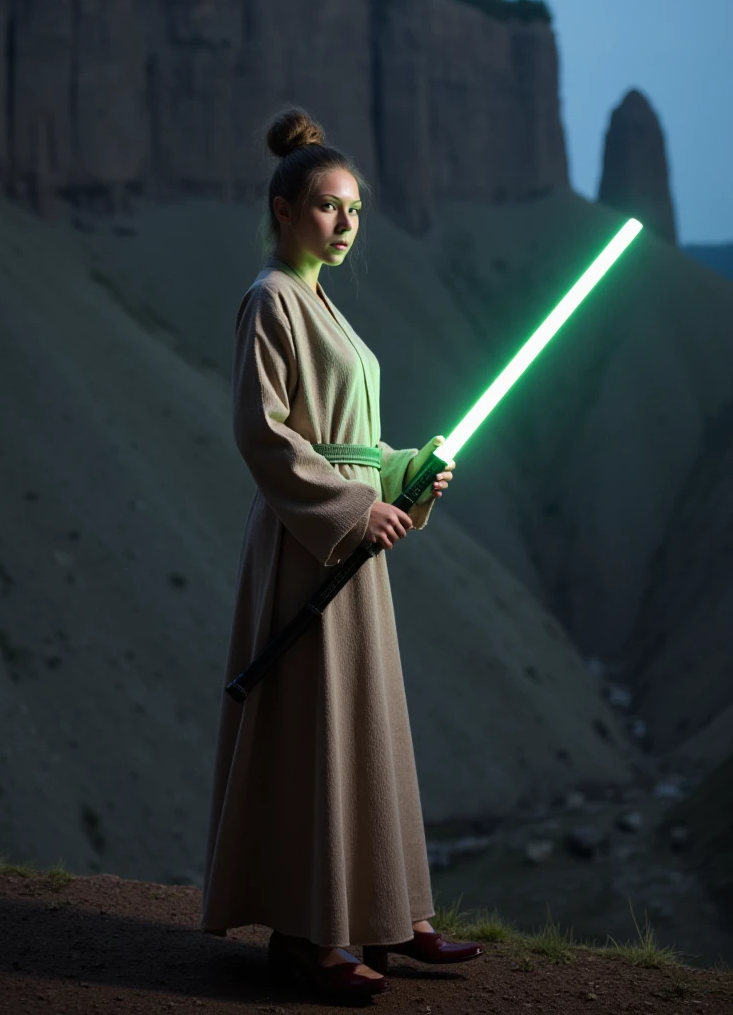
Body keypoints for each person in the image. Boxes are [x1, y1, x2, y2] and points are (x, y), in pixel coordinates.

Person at [201, 107, 481, 1001]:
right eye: (329, 207)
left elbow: (354, 443)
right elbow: (264, 433)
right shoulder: (272, 298)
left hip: (352, 538)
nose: (346, 223)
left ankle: (392, 921)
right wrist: (354, 508)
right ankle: (309, 935)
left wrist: (407, 473)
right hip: (305, 543)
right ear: (286, 210)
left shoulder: (326, 304)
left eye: (355, 209)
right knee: (315, 730)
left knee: (362, 726)